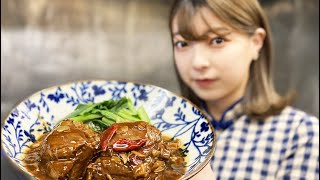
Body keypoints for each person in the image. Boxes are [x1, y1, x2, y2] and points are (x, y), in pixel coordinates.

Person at [168, 0, 319, 179]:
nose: (198, 62)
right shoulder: (161, 127)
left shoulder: (300, 135)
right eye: (182, 44)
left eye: (217, 40)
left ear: (256, 42)